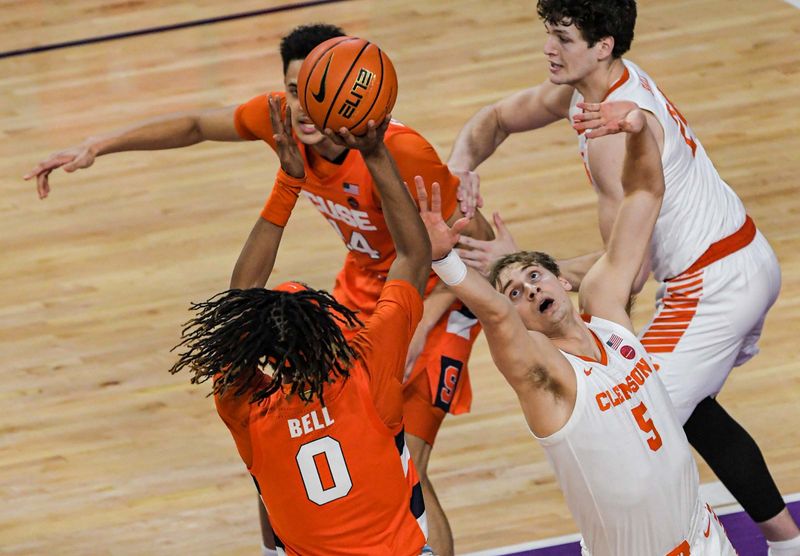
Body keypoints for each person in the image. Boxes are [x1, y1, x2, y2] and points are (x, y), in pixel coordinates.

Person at [26, 23, 492, 556]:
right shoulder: (282, 123)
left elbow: (478, 246)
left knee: (406, 451)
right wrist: (99, 145)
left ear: (345, 95)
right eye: (294, 91)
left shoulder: (404, 151)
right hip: (363, 290)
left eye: (315, 93)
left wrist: (432, 315)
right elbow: (197, 125)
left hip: (441, 294)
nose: (301, 108)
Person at [446, 1, 800, 552]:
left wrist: (524, 269)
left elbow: (622, 276)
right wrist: (457, 172)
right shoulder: (589, 93)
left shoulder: (613, 132)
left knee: (637, 414)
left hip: (710, 286)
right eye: (549, 35)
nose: (548, 48)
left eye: (563, 38)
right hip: (731, 257)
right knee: (684, 403)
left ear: (603, 45)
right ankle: (784, 541)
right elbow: (494, 119)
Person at [421, 100, 735, 555]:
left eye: (533, 275)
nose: (528, 290)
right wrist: (445, 262)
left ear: (563, 281)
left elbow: (644, 195)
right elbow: (492, 314)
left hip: (705, 539)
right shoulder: (547, 376)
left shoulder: (607, 314)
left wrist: (640, 129)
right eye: (513, 292)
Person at [170, 117, 437, 555]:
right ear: (330, 325)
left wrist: (288, 182)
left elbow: (237, 300)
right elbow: (413, 254)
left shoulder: (244, 402)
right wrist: (374, 153)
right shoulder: (366, 366)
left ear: (262, 351)